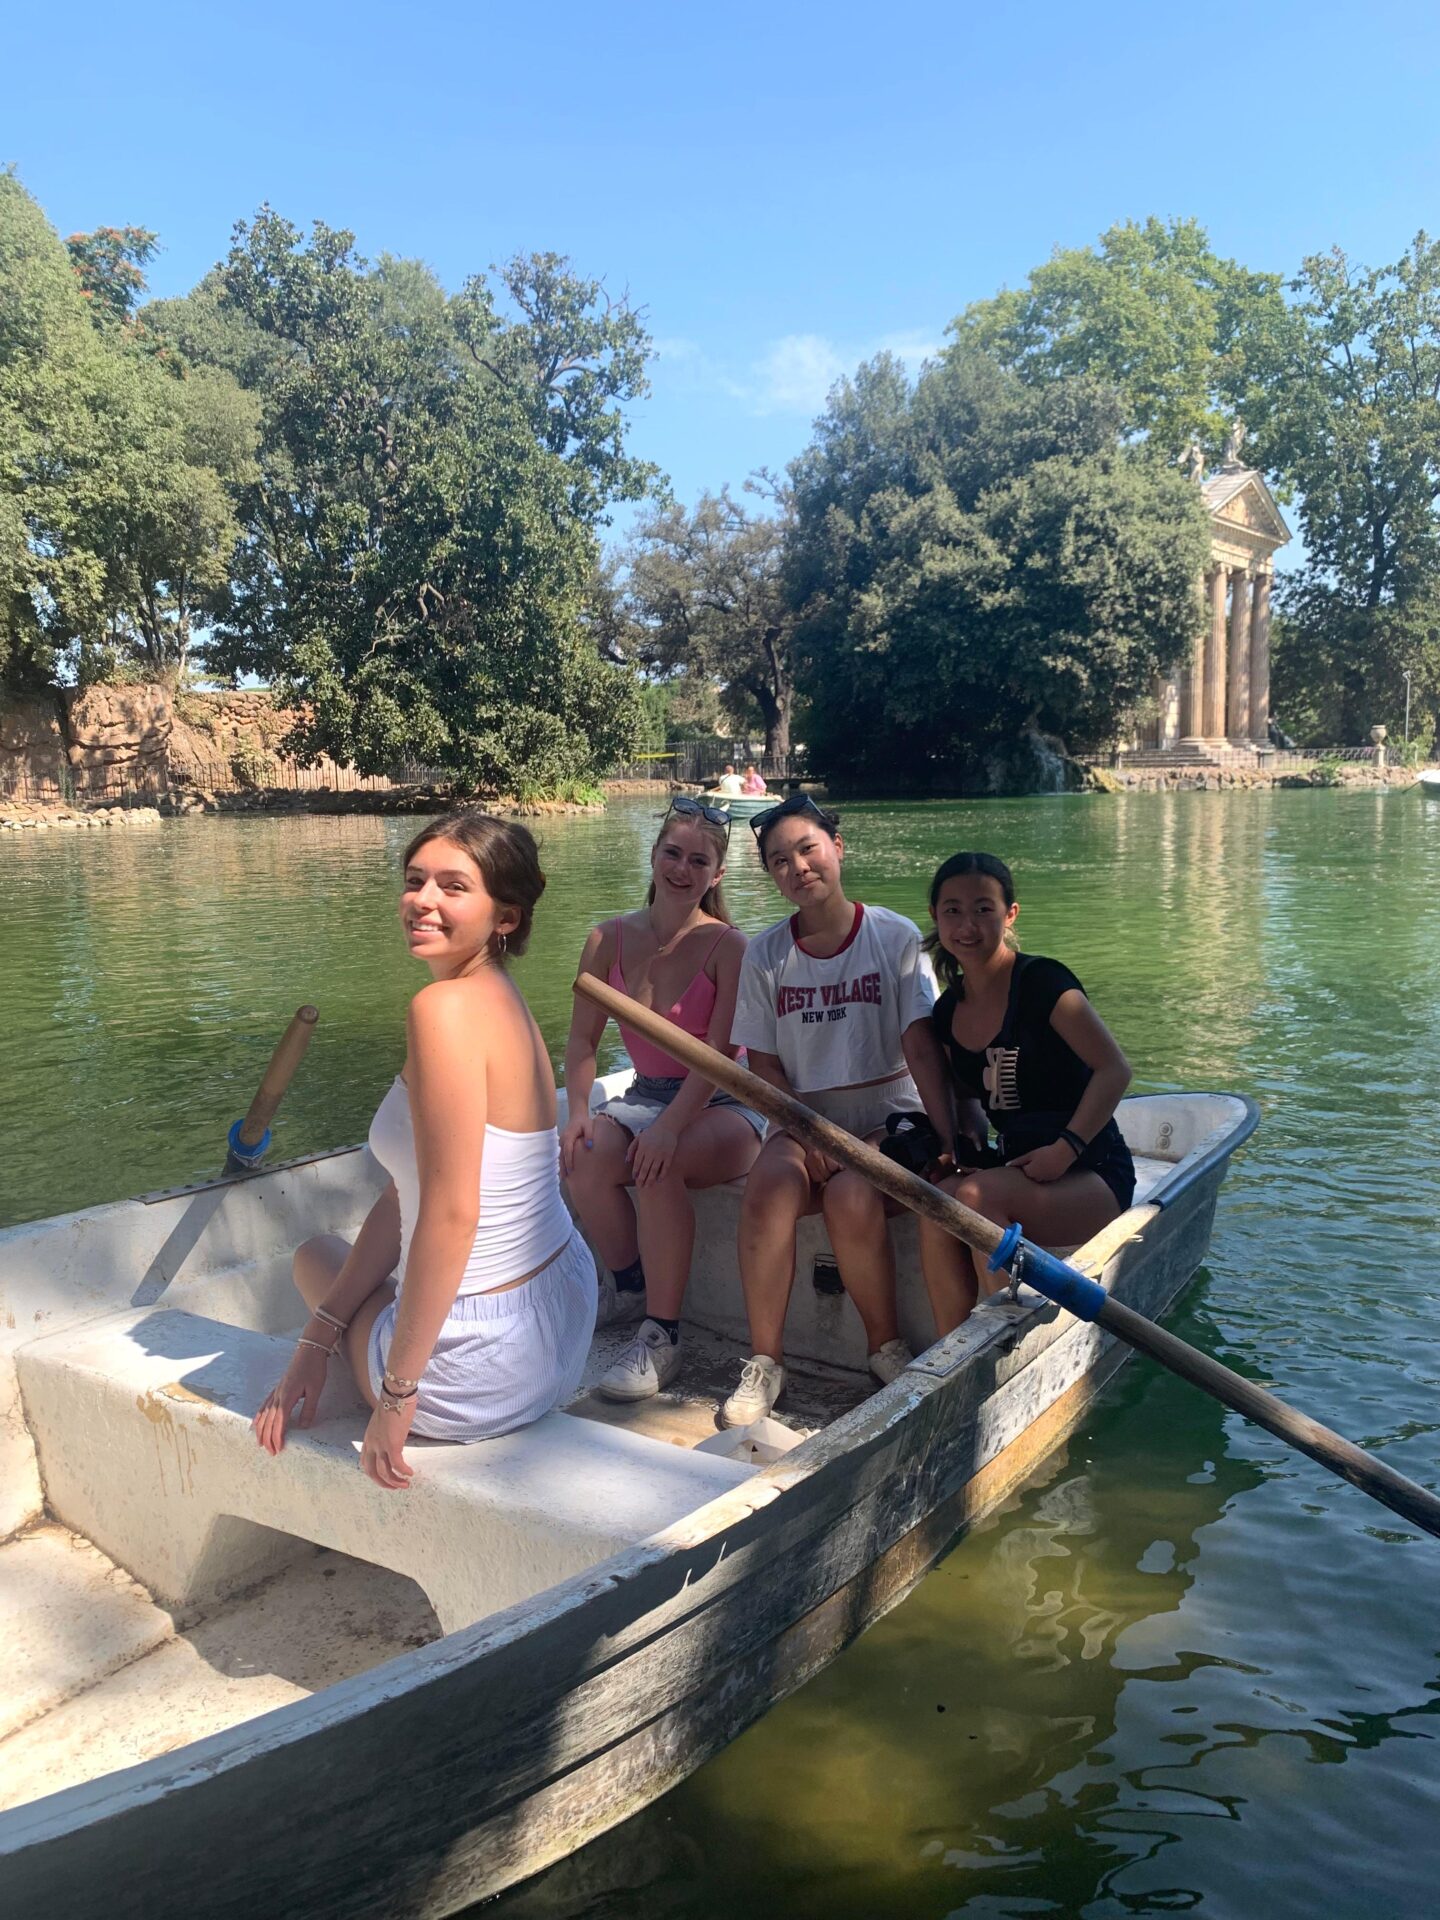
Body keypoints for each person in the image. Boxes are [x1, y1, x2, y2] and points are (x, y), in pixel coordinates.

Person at [253, 812, 595, 1488]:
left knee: (314, 1256)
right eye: (415, 881)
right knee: (342, 1272)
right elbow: (408, 1191)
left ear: (505, 916)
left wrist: (397, 1393)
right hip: (562, 1316)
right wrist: (319, 1337)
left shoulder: (442, 1010)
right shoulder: (501, 997)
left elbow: (450, 1213)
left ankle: (406, 1369)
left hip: (481, 1368)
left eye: (453, 886)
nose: (423, 900)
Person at [719, 794, 953, 1426]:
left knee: (853, 1192)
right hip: (801, 1117)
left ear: (837, 848)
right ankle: (765, 1362)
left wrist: (950, 1137)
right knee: (767, 1189)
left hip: (889, 1112)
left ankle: (884, 1347)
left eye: (807, 849)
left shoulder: (895, 937)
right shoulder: (765, 955)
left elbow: (921, 1045)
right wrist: (808, 1134)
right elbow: (764, 1066)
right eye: (779, 861)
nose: (797, 867)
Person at [560, 797, 765, 1400]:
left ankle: (661, 1336)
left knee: (657, 1163)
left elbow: (720, 1056)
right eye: (672, 853)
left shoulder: (730, 947)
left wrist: (671, 1127)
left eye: (698, 861)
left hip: (723, 1102)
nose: (682, 869)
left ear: (717, 875)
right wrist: (578, 1112)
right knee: (583, 1156)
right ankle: (629, 1288)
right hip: (645, 1095)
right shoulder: (607, 938)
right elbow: (581, 1040)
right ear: (653, 857)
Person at [918, 851, 1135, 1334]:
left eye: (983, 909)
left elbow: (1115, 1070)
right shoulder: (948, 1011)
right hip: (1019, 1169)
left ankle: (1004, 1341)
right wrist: (964, 1149)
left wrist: (1066, 1148)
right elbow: (968, 1095)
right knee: (936, 1201)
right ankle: (950, 1345)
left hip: (1090, 1171)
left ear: (1009, 914)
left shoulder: (1044, 984)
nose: (967, 925)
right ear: (935, 916)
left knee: (973, 1197)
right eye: (953, 910)